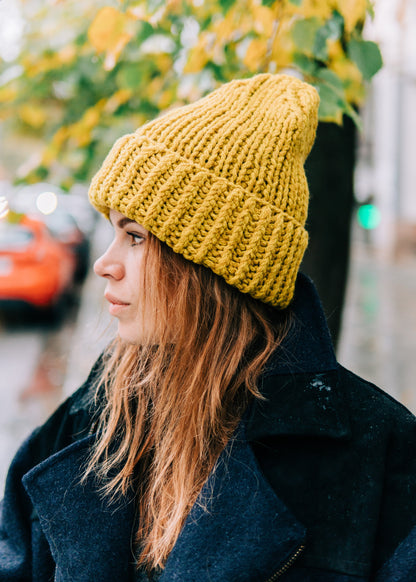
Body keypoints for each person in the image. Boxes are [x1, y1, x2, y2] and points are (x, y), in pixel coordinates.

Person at [1, 73, 415, 582]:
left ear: (212, 267)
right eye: (112, 231)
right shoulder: (93, 418)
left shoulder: (378, 454)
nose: (103, 264)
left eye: (134, 236)